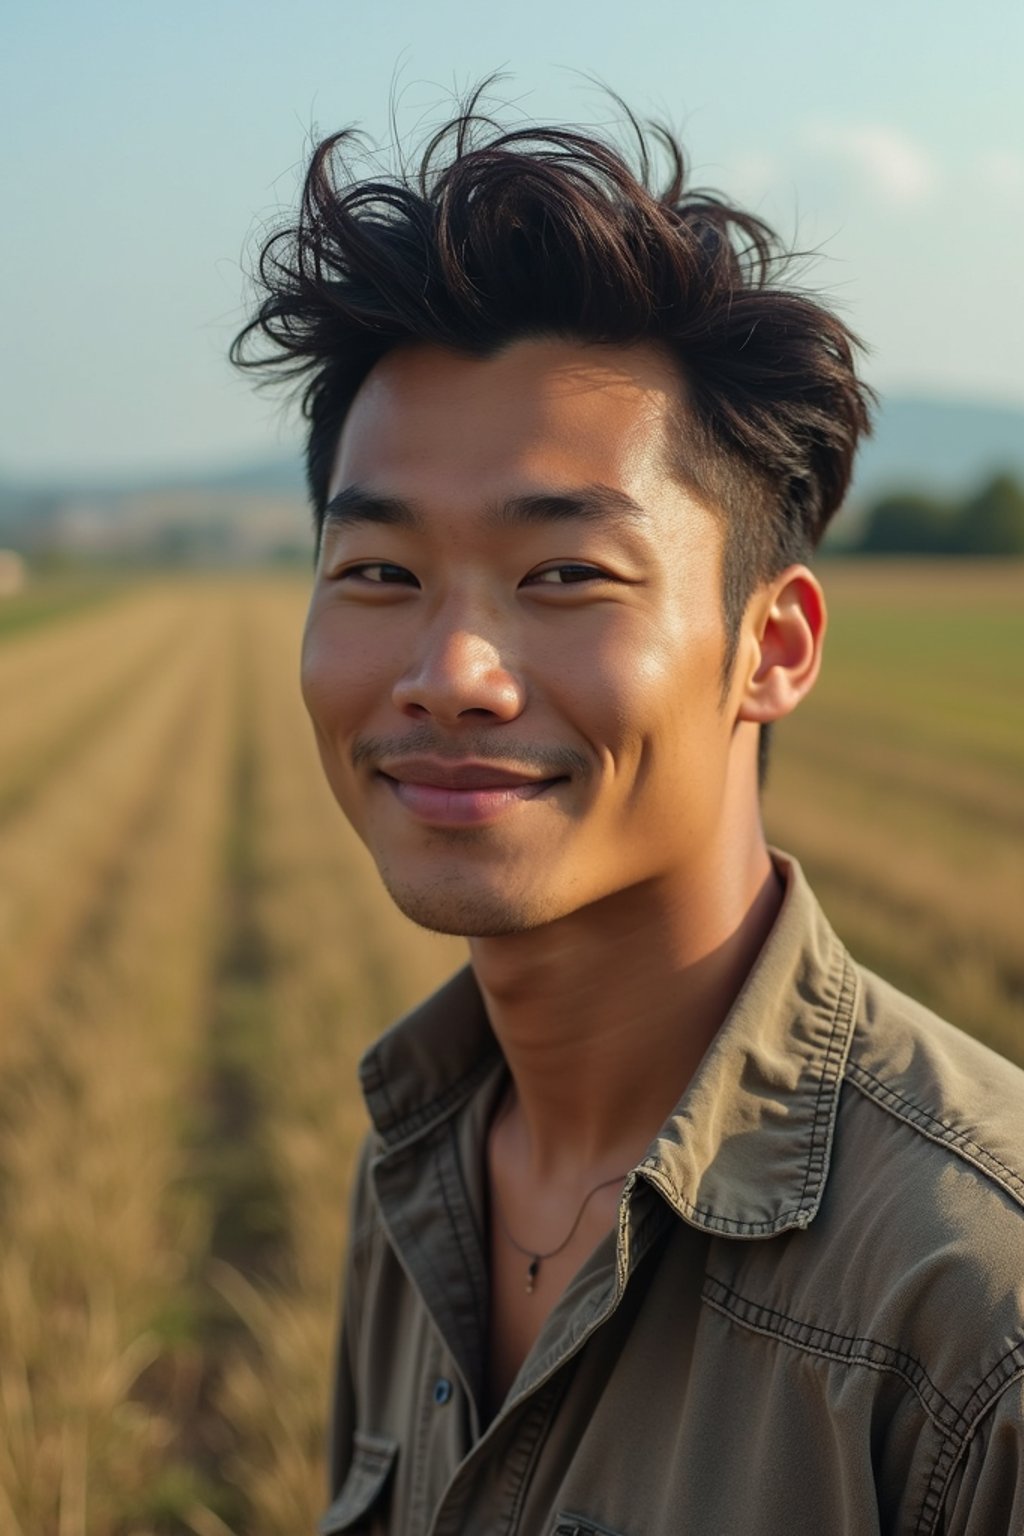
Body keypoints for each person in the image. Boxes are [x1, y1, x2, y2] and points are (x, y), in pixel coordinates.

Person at [232, 93, 1024, 1535]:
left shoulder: (978, 1307)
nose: (450, 675)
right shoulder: (422, 1174)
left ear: (774, 647)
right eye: (377, 572)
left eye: (566, 578)